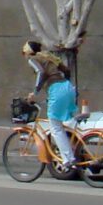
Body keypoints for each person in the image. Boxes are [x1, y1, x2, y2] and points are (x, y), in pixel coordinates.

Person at [22, 40, 77, 171]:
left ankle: (68, 159)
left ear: (28, 52)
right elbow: (67, 71)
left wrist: (34, 93)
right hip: (67, 87)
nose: (24, 56)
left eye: (23, 53)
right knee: (67, 121)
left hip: (57, 89)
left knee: (55, 128)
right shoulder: (49, 57)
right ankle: (76, 147)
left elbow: (41, 72)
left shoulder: (33, 59)